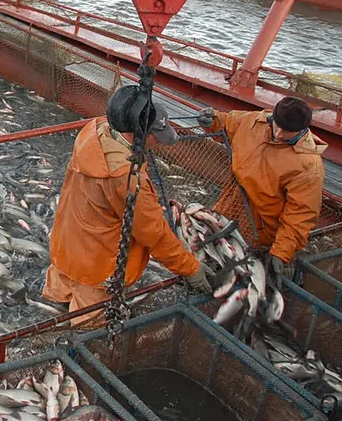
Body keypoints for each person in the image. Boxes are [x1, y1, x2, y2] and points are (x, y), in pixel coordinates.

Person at [43, 88, 210, 325]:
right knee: (88, 328)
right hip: (98, 265)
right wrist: (190, 268)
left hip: (68, 243)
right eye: (156, 135)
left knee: (55, 305)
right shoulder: (125, 178)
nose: (158, 143)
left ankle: (54, 316)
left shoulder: (95, 131)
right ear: (139, 133)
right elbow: (154, 233)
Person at [196, 97, 326, 283]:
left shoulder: (308, 167)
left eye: (287, 132)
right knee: (211, 252)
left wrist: (281, 253)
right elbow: (227, 123)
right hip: (229, 205)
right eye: (277, 126)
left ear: (302, 130)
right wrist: (212, 119)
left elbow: (300, 216)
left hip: (259, 230)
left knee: (242, 273)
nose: (279, 134)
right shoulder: (255, 121)